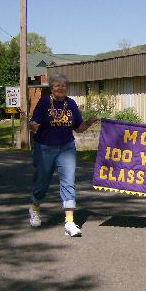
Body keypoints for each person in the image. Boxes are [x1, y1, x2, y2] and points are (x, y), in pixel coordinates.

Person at [28, 73, 98, 237]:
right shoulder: (45, 102)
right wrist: (33, 125)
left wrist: (88, 122)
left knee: (68, 182)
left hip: (66, 148)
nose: (60, 88)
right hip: (45, 147)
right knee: (42, 182)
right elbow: (34, 123)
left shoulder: (71, 104)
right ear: (51, 88)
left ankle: (69, 222)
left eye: (64, 85)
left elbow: (78, 128)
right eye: (57, 85)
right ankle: (35, 209)